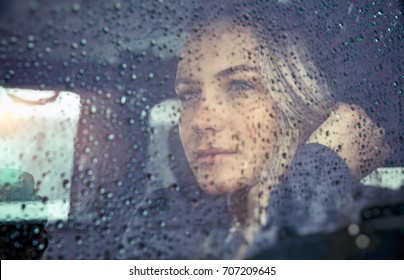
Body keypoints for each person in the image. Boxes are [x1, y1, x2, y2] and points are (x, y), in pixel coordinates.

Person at [120, 10, 401, 259]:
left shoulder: (378, 223)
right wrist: (319, 176)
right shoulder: (162, 220)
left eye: (240, 86)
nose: (201, 120)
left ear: (300, 101)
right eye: (190, 94)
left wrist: (318, 170)